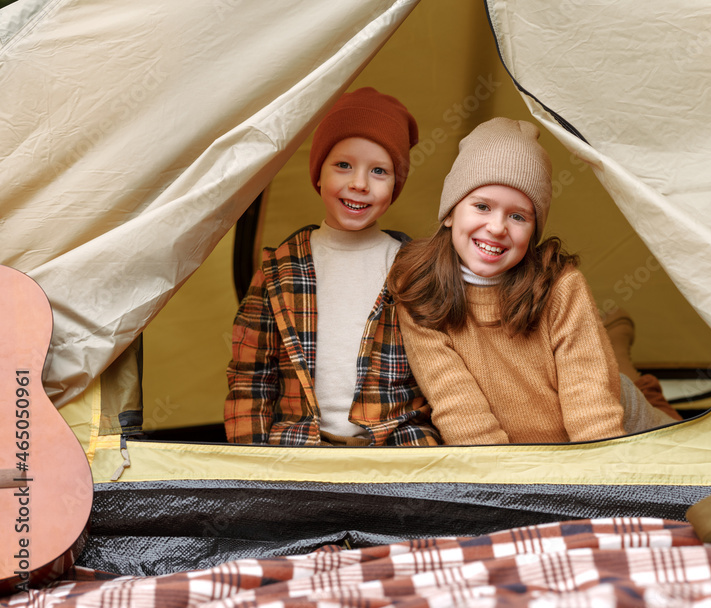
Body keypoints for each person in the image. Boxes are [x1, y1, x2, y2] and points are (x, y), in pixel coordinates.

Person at [387, 117, 678, 445]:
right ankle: (617, 338)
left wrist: (599, 475)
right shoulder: (420, 289)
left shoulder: (561, 286)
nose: (497, 227)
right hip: (528, 454)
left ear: (534, 230)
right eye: (482, 206)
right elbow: (458, 409)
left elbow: (591, 406)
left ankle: (625, 359)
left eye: (517, 216)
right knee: (616, 365)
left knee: (674, 435)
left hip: (613, 415)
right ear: (450, 213)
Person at [225, 87, 440, 447]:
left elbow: (441, 375)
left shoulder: (415, 268)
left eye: (379, 171)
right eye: (343, 165)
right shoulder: (279, 269)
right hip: (302, 452)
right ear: (319, 174)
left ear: (395, 185)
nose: (359, 183)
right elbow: (251, 376)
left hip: (397, 451)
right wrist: (251, 466)